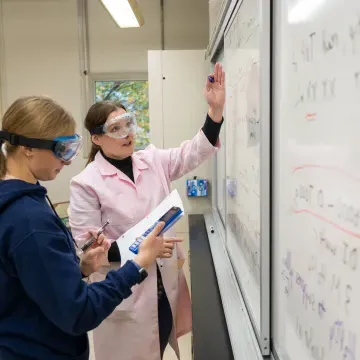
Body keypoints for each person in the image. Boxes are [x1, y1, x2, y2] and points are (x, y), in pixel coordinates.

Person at [0, 96, 180, 360]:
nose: (69, 160)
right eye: (62, 150)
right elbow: (78, 313)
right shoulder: (30, 221)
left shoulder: (22, 202)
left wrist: (80, 268)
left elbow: (33, 281)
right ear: (28, 148)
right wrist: (139, 261)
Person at [69, 63, 226, 360]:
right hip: (125, 296)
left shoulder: (152, 160)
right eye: (115, 129)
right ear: (97, 139)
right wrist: (143, 250)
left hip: (164, 288)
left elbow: (194, 152)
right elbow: (87, 249)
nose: (127, 134)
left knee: (161, 347)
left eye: (128, 124)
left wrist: (215, 112)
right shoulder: (86, 184)